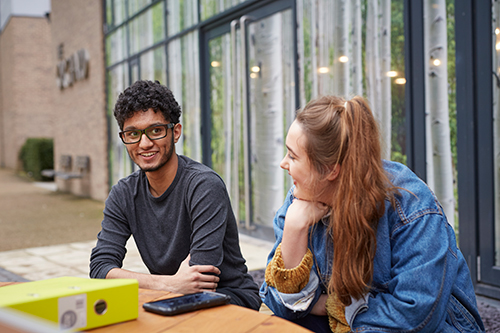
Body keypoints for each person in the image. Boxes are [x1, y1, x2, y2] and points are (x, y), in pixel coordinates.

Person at [260, 95, 485, 332]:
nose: (283, 163)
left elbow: (414, 316)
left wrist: (331, 306)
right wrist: (294, 230)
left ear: (329, 170)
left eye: (293, 156)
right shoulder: (299, 200)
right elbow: (280, 304)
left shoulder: (412, 207)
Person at [90, 80, 261, 310]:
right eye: (133, 134)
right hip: (172, 296)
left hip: (229, 297)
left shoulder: (203, 186)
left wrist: (165, 286)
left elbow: (199, 279)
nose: (145, 143)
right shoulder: (123, 194)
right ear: (124, 138)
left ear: (176, 132)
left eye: (156, 130)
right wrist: (167, 284)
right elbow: (100, 269)